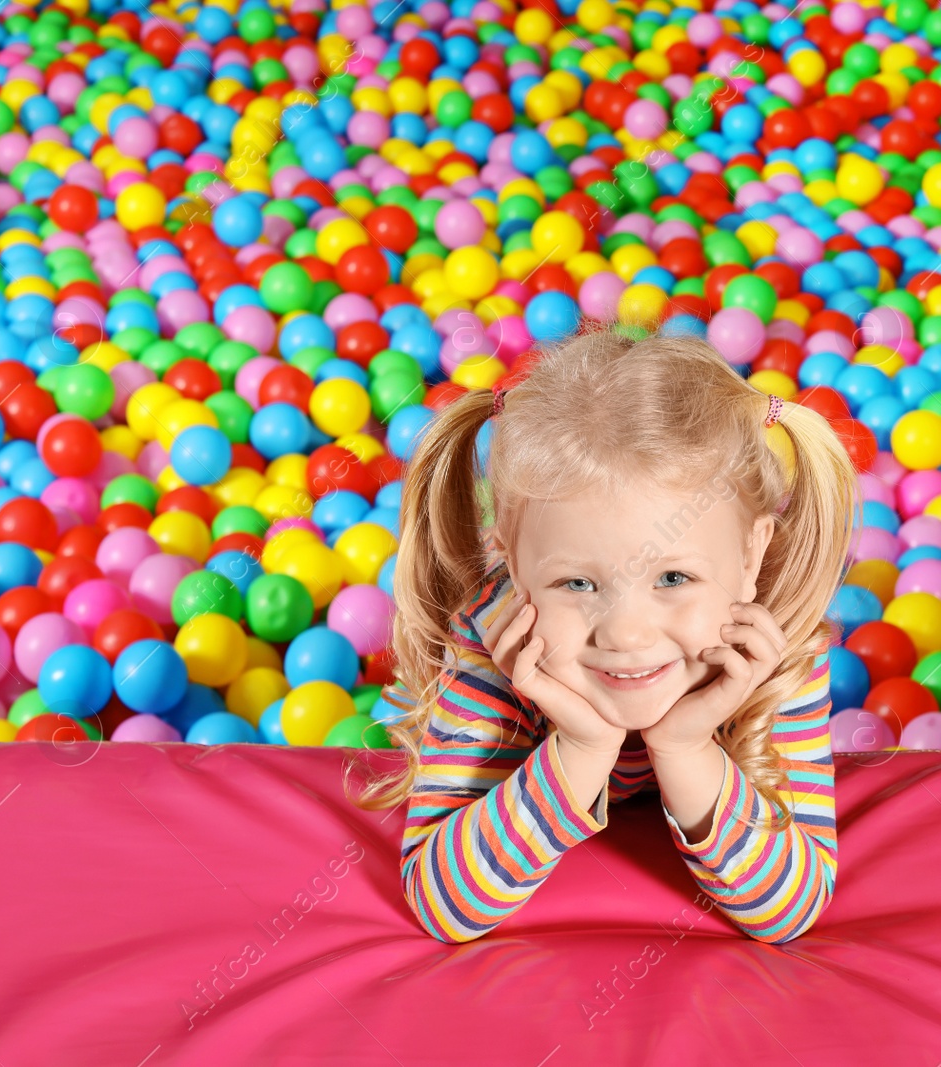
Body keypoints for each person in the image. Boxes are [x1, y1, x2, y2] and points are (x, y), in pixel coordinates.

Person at [354, 328, 861, 944]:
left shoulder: (771, 652)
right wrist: (583, 747)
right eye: (576, 584)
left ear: (751, 557)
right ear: (512, 565)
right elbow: (443, 906)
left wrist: (684, 748)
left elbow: (791, 910)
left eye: (673, 577)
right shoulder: (496, 645)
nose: (624, 632)